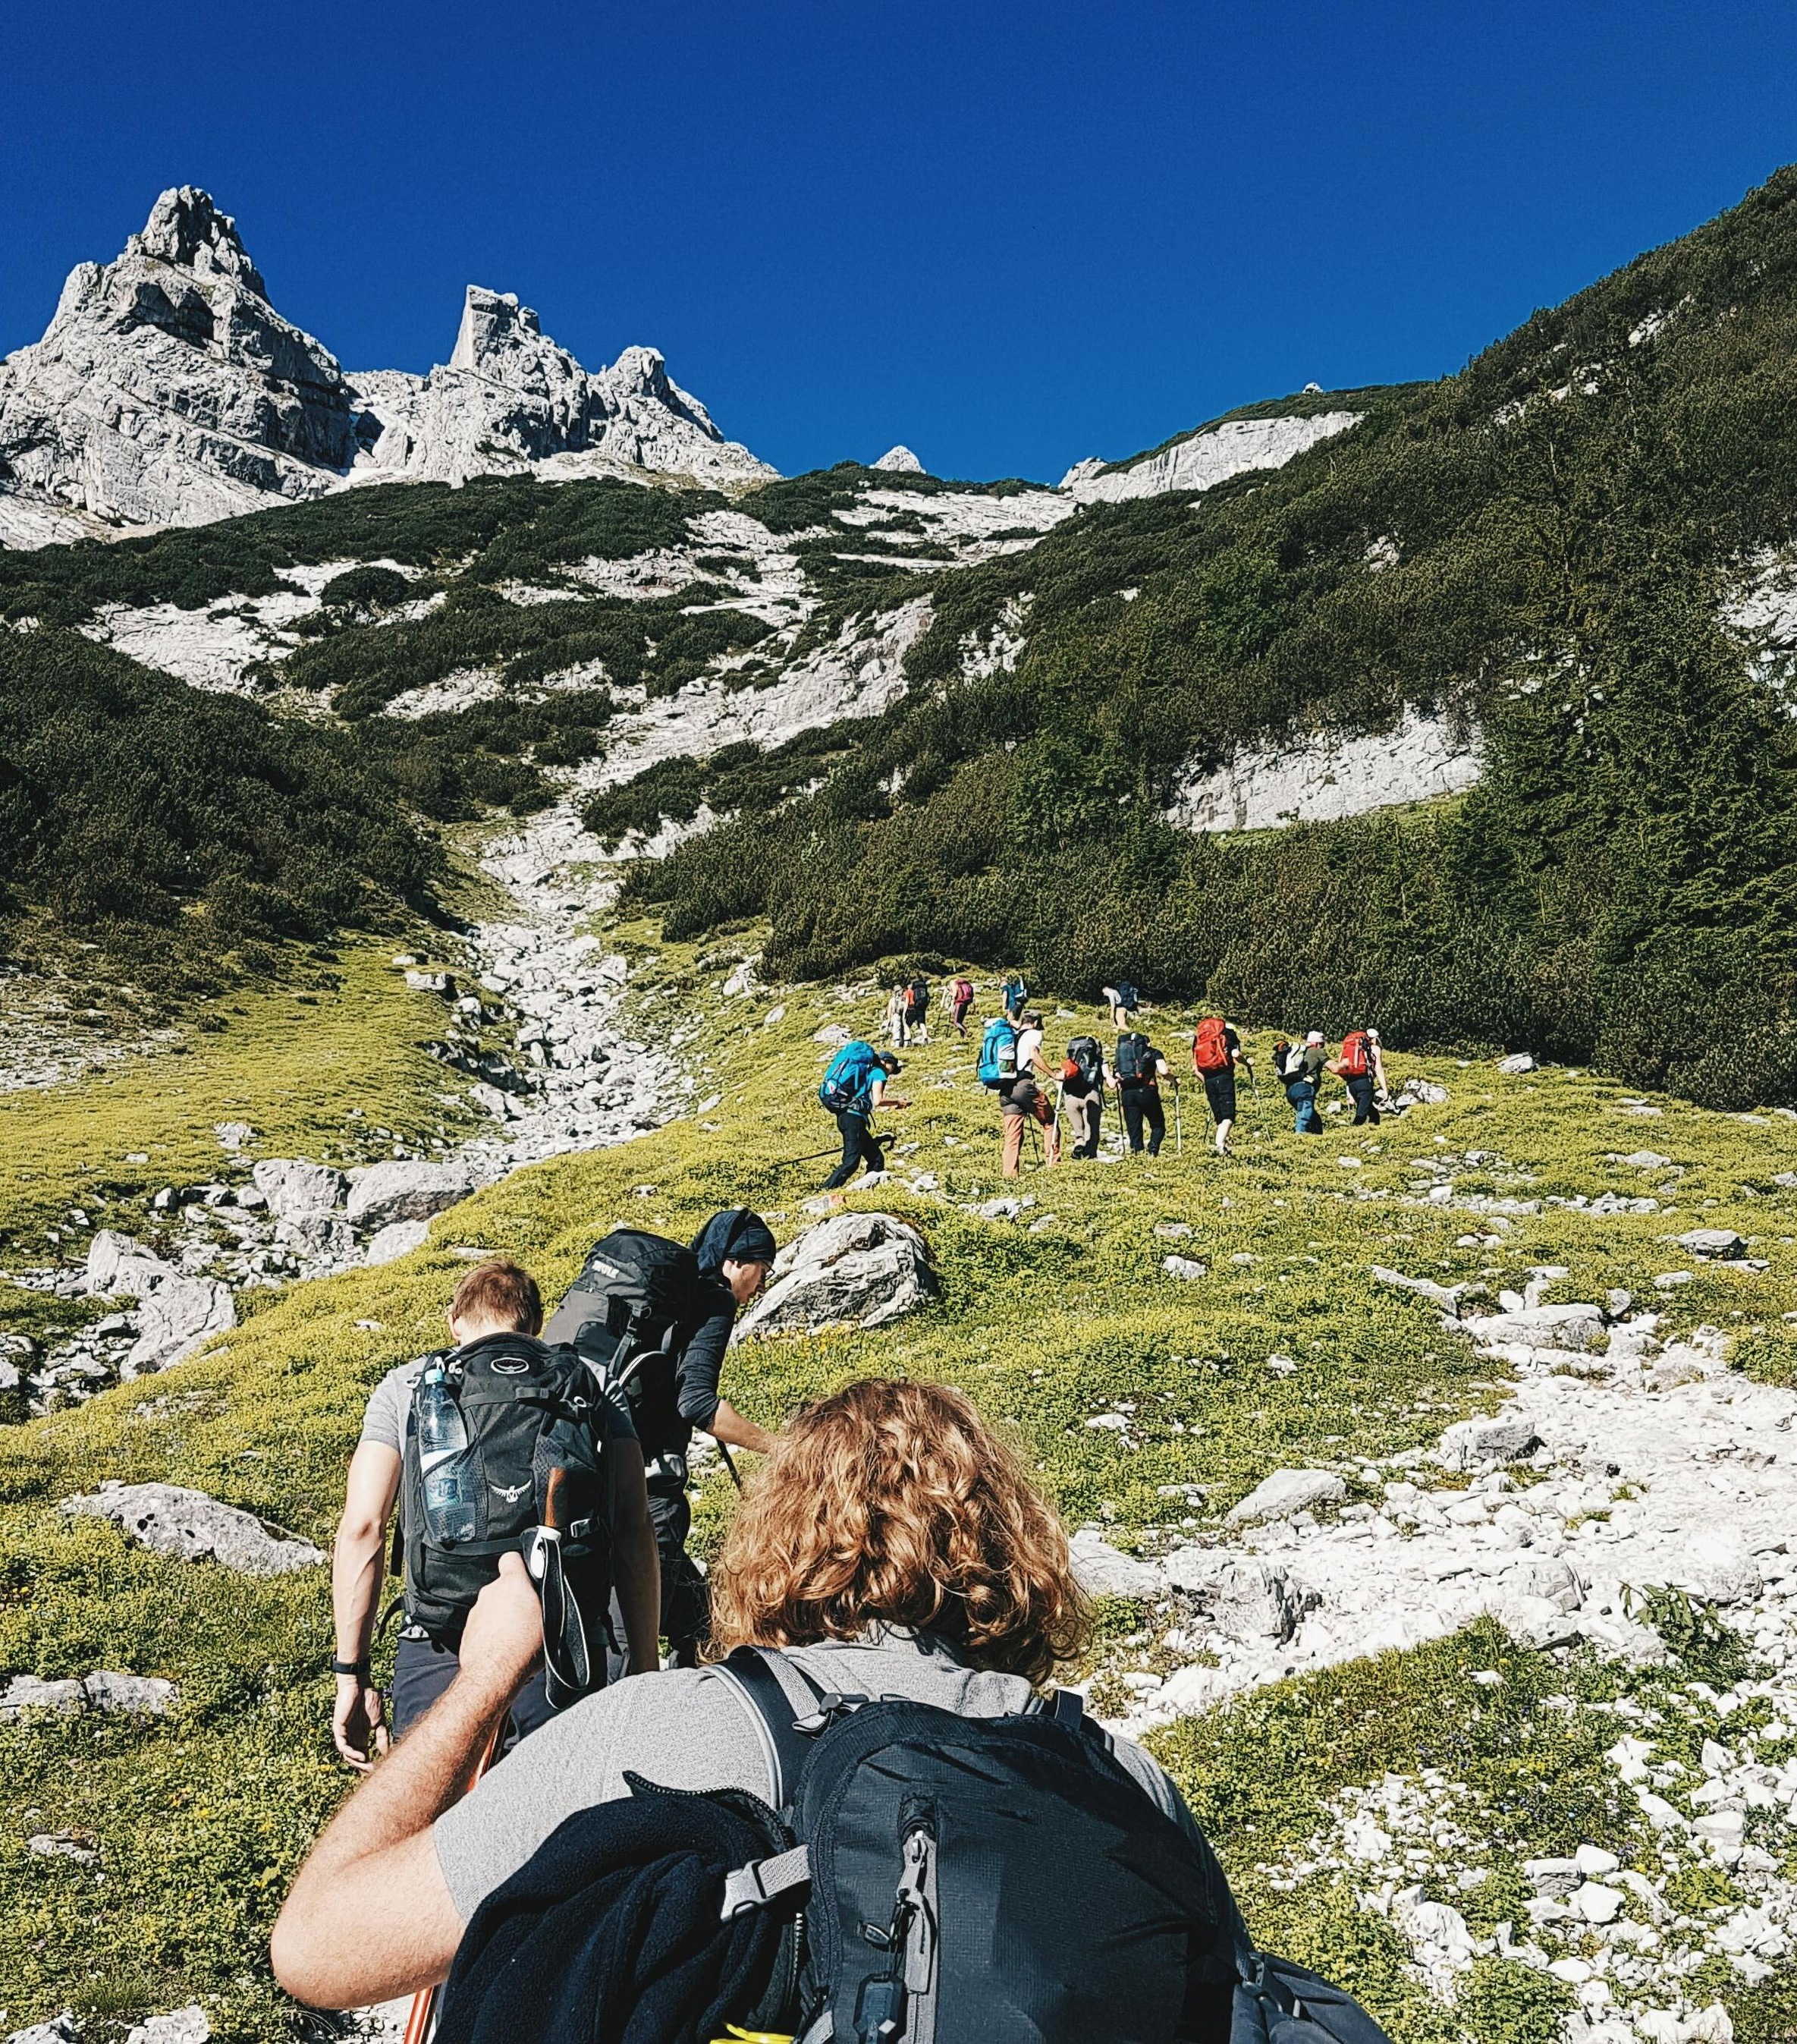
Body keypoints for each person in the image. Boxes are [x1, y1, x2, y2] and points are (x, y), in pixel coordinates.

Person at [270, 1379, 1243, 2017]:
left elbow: (318, 1950)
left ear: (777, 1531)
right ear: (1014, 1544)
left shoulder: (676, 1726)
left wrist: (487, 1674)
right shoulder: (1116, 1772)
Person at [328, 1260, 660, 1772]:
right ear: (534, 1328)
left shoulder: (407, 1385)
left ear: (454, 1322)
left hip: (441, 1632)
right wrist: (642, 1661)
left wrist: (351, 1674)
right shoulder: (589, 1380)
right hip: (559, 1635)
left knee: (430, 1812)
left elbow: (363, 1528)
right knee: (556, 1816)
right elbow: (634, 1526)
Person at [821, 1040, 905, 1190]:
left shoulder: (865, 1072)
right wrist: (898, 1102)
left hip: (847, 1117)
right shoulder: (878, 1072)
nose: (891, 1072)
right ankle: (825, 1190)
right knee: (851, 1163)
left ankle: (868, 1190)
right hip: (854, 1119)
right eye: (892, 1068)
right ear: (886, 1062)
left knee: (876, 1159)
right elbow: (878, 1101)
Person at [1001, 1011, 1063, 1176]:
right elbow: (1033, 1054)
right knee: (1050, 1121)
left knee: (1012, 1136)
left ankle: (1009, 1176)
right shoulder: (1034, 1034)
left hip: (1006, 1090)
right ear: (1035, 1023)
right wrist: (1053, 1074)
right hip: (1023, 1086)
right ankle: (1053, 1165)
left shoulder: (1010, 1035)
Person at [1192, 1014, 1252, 1156]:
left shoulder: (1199, 1038)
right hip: (1224, 1077)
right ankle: (1219, 1145)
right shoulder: (1228, 1034)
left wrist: (1205, 1080)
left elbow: (1195, 1069)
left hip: (1208, 1078)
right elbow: (1236, 1054)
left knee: (1219, 1116)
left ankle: (1223, 1146)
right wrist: (1247, 1063)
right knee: (1228, 1116)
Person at [1114, 1028, 1170, 1156]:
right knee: (1158, 1125)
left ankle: (1137, 1153)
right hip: (1147, 1091)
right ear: (1147, 1043)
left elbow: (1115, 1078)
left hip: (1127, 1093)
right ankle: (1153, 1150)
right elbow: (1164, 1071)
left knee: (1134, 1127)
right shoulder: (1153, 1052)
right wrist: (1174, 1080)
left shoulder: (1122, 1057)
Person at [1060, 1033, 1106, 1159]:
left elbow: (1061, 1077)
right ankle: (1090, 1157)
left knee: (1079, 1133)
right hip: (1091, 1096)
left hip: (1071, 1098)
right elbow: (1109, 1080)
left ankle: (1079, 1146)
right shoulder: (1100, 1060)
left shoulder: (1071, 1060)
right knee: (1092, 1132)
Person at [1333, 1025, 1382, 1127]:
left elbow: (1342, 1065)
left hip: (1352, 1083)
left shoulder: (1349, 1049)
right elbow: (1379, 1069)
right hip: (1364, 1082)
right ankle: (1355, 1130)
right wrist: (1385, 1090)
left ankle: (1374, 1126)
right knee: (1361, 1115)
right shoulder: (1373, 1049)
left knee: (1370, 1110)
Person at [1285, 1030, 1328, 1134]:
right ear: (1316, 1043)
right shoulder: (1316, 1051)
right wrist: (1345, 1065)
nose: (1323, 1047)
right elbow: (1334, 1067)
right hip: (1305, 1089)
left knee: (1314, 1119)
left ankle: (1315, 1138)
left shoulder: (1300, 1052)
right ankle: (1299, 1140)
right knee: (1304, 1116)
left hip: (1291, 1090)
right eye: (1322, 1044)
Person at [950, 973, 975, 1037]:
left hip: (959, 1004)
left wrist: (951, 993)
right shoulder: (966, 985)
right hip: (965, 1004)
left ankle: (966, 1032)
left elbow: (955, 994)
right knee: (960, 1022)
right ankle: (963, 1037)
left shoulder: (954, 983)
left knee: (956, 1022)